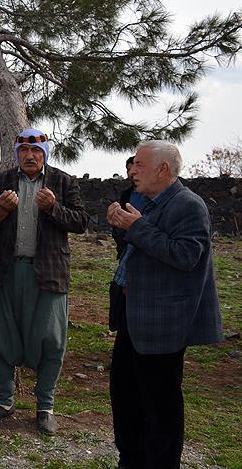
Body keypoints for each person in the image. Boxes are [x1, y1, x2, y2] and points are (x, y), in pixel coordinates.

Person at [106, 140, 222, 468]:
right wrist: (122, 226)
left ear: (163, 169)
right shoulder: (150, 201)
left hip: (163, 321)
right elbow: (138, 248)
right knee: (125, 396)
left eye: (140, 164)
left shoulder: (188, 205)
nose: (132, 170)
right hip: (133, 317)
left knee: (160, 405)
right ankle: (131, 460)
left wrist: (136, 226)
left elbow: (186, 255)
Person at [0, 128, 90, 435]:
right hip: (5, 272)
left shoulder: (64, 182)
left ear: (45, 154)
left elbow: (81, 222)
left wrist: (53, 208)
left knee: (52, 339)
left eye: (36, 151)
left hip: (49, 274)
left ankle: (45, 406)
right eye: (24, 151)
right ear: (17, 155)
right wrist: (1, 211)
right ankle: (4, 401)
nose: (30, 156)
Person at [111, 156, 145, 260]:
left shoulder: (152, 195)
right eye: (128, 169)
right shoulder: (126, 194)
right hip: (125, 247)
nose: (131, 173)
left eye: (135, 169)